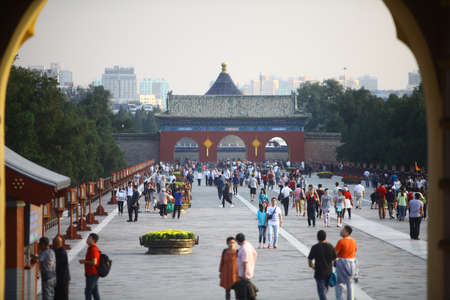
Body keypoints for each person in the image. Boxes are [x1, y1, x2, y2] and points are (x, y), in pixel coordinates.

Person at [308, 230, 337, 300]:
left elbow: (310, 260)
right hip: (329, 272)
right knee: (324, 290)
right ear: (325, 237)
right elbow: (335, 260)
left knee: (321, 292)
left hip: (319, 273)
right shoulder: (331, 246)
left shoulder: (315, 247)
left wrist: (313, 267)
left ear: (317, 238)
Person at [335, 225, 358, 300]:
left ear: (347, 232)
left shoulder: (341, 241)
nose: (341, 231)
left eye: (343, 230)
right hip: (352, 264)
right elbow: (355, 251)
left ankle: (339, 298)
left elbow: (335, 253)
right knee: (350, 283)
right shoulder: (353, 241)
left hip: (342, 263)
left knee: (339, 283)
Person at [80, 233, 101, 300]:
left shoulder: (93, 249)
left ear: (93, 240)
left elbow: (94, 262)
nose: (87, 239)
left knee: (88, 292)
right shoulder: (91, 248)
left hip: (92, 273)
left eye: (89, 238)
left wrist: (84, 261)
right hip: (91, 273)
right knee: (94, 292)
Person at [53, 236, 70, 300]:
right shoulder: (59, 250)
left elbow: (55, 264)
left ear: (57, 244)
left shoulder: (61, 252)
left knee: (62, 296)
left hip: (62, 280)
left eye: (54, 243)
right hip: (60, 279)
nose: (52, 244)